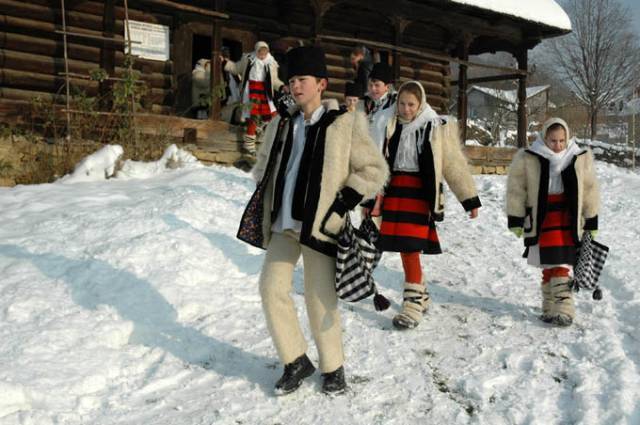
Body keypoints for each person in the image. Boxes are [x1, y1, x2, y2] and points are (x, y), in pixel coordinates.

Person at [238, 46, 389, 395]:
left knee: (319, 298)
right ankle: (295, 360)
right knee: (271, 288)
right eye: (291, 80)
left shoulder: (343, 124)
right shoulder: (281, 124)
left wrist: (345, 200)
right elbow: (263, 166)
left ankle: (333, 367)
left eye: (302, 80)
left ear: (321, 83)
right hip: (283, 225)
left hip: (321, 227)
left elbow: (374, 169)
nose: (295, 86)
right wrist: (266, 188)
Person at [371, 80, 481, 330]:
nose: (406, 109)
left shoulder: (434, 127)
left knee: (410, 248)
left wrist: (469, 199)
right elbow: (374, 160)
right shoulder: (386, 125)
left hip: (419, 195)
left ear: (420, 104)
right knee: (403, 247)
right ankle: (422, 293)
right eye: (401, 103)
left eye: (411, 104)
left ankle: (412, 305)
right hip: (394, 192)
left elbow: (452, 164)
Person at [506, 117, 599, 326]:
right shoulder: (529, 157)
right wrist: (515, 217)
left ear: (567, 138)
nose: (557, 145)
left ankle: (564, 308)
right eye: (553, 141)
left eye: (561, 141)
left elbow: (590, 189)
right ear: (544, 138)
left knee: (560, 261)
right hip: (542, 218)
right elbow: (516, 188)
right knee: (548, 262)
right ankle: (549, 307)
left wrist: (591, 220)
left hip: (567, 219)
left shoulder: (579, 157)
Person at [224, 41, 284, 155]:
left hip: (264, 91)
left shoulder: (271, 63)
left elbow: (274, 81)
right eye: (260, 53)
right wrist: (224, 63)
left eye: (264, 53)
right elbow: (236, 69)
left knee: (273, 114)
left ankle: (264, 130)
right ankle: (249, 145)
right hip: (250, 90)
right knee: (253, 117)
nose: (262, 56)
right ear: (256, 51)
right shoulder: (248, 59)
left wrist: (281, 86)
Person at [361, 62, 397, 152]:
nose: (373, 89)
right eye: (370, 85)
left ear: (387, 87)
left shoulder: (394, 104)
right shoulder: (364, 102)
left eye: (377, 85)